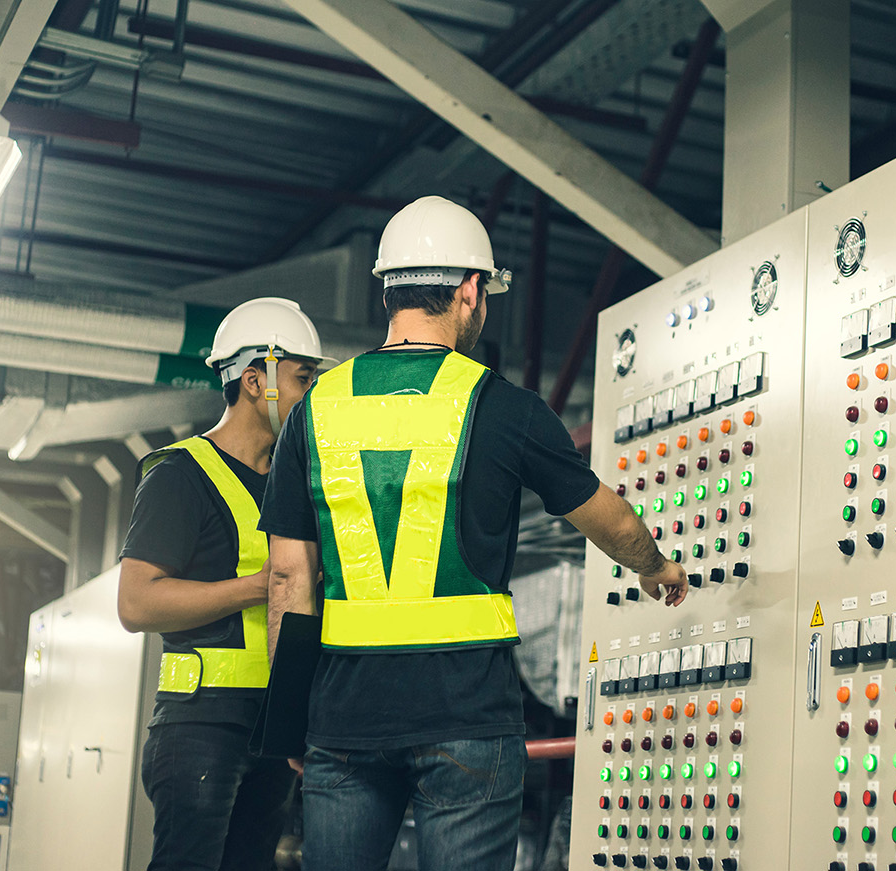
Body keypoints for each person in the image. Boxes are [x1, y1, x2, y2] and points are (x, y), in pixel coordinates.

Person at [259, 196, 689, 871]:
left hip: (344, 719)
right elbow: (610, 517)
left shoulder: (313, 409)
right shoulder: (505, 405)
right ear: (468, 291)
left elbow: (289, 578)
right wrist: (654, 565)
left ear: (387, 293)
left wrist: (290, 716)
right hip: (467, 719)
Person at [117, 297, 335, 871]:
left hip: (273, 729)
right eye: (302, 378)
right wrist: (259, 586)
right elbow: (137, 602)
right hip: (199, 727)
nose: (310, 396)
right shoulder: (179, 473)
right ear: (254, 378)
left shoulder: (298, 485)